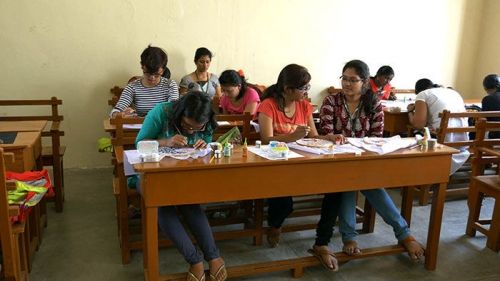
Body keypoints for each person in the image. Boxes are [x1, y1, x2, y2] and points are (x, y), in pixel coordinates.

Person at [315, 60, 425, 267]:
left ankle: (359, 236)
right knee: (348, 181)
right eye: (344, 79)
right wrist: (334, 138)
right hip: (337, 160)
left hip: (365, 159)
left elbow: (377, 135)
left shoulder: (373, 102)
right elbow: (327, 132)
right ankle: (402, 234)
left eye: (353, 80)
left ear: (365, 82)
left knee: (364, 182)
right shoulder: (331, 101)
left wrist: (360, 148)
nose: (347, 84)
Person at [257, 64, 345, 271]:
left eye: (307, 87)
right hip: (276, 164)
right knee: (285, 203)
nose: (306, 92)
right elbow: (265, 139)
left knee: (334, 189)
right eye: (303, 88)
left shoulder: (304, 105)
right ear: (288, 89)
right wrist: (292, 137)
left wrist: (328, 136)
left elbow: (313, 136)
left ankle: (321, 240)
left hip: (302, 162)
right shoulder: (268, 105)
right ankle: (275, 226)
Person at [135, 92, 226, 281]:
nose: (191, 131)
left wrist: (204, 144)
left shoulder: (206, 121)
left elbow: (207, 143)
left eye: (197, 128)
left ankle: (214, 256)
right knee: (162, 207)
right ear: (179, 113)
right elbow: (139, 144)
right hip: (152, 174)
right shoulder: (161, 112)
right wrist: (166, 142)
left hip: (184, 174)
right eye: (187, 126)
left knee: (191, 204)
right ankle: (195, 260)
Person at [407, 78, 469, 174]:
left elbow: (418, 124)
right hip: (463, 140)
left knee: (416, 134)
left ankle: (417, 173)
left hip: (442, 140)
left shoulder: (422, 94)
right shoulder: (453, 92)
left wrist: (410, 111)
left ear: (416, 91)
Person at [110, 45, 179, 117]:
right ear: (142, 66)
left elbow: (173, 110)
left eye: (156, 74)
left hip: (162, 126)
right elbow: (115, 111)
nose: (152, 78)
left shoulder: (170, 85)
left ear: (163, 70)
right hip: (140, 126)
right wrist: (121, 114)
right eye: (148, 73)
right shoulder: (132, 87)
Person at [481, 74, 500, 138]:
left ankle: (471, 145)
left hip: (495, 138)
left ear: (486, 88)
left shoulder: (488, 99)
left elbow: (484, 120)